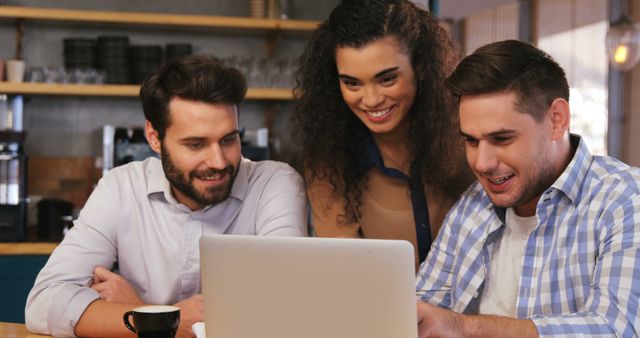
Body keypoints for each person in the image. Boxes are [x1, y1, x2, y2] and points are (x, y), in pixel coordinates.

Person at [25, 55, 308, 338]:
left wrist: (145, 311)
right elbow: (43, 304)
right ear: (154, 137)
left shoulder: (275, 185)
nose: (219, 161)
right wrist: (171, 320)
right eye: (196, 144)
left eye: (228, 139)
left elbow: (284, 312)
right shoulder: (120, 188)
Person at [415, 39, 640, 337]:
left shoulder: (625, 199)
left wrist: (461, 326)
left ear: (556, 120)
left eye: (502, 139)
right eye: (471, 140)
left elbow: (616, 328)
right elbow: (423, 308)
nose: (482, 163)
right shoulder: (473, 204)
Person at [292, 0, 472, 268]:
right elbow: (348, 269)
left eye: (387, 79)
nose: (371, 99)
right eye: (352, 83)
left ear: (420, 68)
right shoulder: (329, 164)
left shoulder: (468, 136)